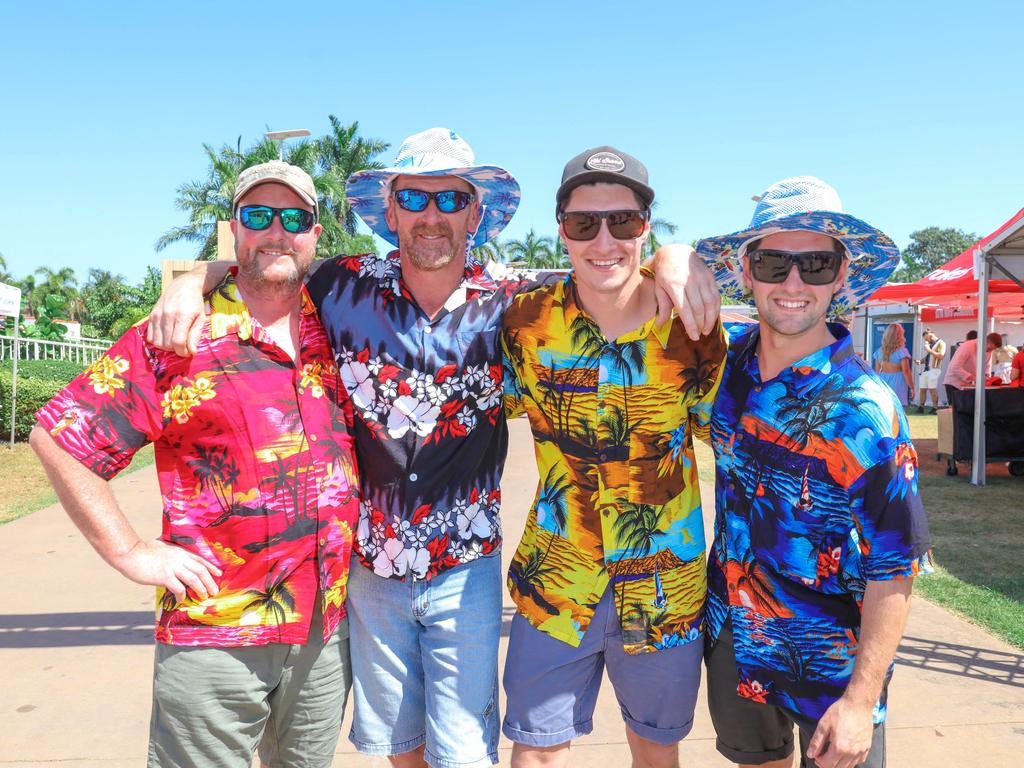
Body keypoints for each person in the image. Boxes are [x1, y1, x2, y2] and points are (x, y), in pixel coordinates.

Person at [145, 129, 714, 768]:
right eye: (415, 198)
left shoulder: (513, 301)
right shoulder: (340, 288)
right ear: (390, 212)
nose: (433, 215)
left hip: (466, 564)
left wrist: (674, 257)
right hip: (371, 566)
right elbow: (268, 270)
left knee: (468, 752)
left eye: (452, 199)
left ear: (476, 213)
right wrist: (193, 279)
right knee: (399, 746)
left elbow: (609, 274)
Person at [30, 162, 360, 767]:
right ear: (233, 228)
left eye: (296, 218)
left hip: (324, 629)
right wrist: (130, 552)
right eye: (258, 216)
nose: (277, 231)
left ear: (316, 234)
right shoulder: (180, 332)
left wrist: (193, 275)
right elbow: (60, 435)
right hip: (216, 629)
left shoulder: (340, 325)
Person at [500, 146, 727, 768]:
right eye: (584, 223)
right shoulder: (522, 324)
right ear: (562, 232)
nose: (605, 239)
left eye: (623, 222)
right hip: (556, 579)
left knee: (656, 749)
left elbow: (734, 439)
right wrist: (203, 272)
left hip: (663, 587)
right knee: (535, 750)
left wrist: (676, 261)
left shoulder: (695, 329)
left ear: (646, 226)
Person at [696, 176, 932, 768]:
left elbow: (896, 561)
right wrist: (673, 257)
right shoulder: (727, 363)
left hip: (834, 658)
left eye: (816, 263)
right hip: (736, 640)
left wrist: (861, 699)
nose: (794, 282)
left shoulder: (866, 408)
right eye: (773, 262)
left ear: (842, 276)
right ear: (746, 273)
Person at [872, 324, 913, 406]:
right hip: (898, 381)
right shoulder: (902, 352)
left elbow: (877, 372)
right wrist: (912, 387)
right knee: (898, 410)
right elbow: (906, 371)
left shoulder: (879, 351)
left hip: (883, 381)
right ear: (900, 335)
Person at [915, 328, 946, 413]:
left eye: (926, 338)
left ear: (930, 335)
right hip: (926, 369)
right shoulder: (931, 344)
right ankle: (921, 407)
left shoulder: (941, 343)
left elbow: (941, 356)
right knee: (922, 389)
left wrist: (929, 350)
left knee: (932, 389)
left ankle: (935, 408)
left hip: (934, 369)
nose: (926, 340)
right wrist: (920, 361)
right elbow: (929, 357)